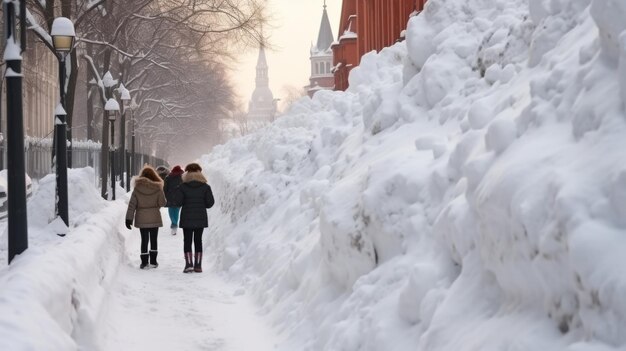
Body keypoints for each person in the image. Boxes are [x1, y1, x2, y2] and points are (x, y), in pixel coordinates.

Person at [172, 163, 215, 273]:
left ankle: (189, 265)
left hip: (187, 217)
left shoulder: (182, 187)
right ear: (199, 173)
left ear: (187, 173)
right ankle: (198, 266)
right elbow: (210, 203)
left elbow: (177, 202)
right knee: (198, 241)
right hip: (200, 217)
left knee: (187, 241)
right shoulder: (206, 187)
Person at [125, 165, 166, 269]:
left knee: (144, 239)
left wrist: (128, 218)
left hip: (141, 217)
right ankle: (153, 261)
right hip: (154, 217)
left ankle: (144, 262)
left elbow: (132, 205)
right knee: (153, 239)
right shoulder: (158, 188)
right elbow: (162, 203)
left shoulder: (137, 188)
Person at [163, 165, 184, 235]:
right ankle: (174, 225)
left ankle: (174, 224)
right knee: (176, 211)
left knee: (171, 211)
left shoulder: (168, 177)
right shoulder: (182, 178)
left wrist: (165, 196)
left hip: (170, 197)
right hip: (179, 197)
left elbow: (165, 188)